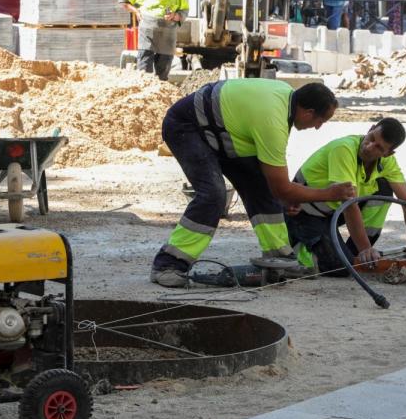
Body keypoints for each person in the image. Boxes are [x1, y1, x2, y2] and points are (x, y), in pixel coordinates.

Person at [150, 79, 356, 288]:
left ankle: (280, 258)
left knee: (262, 189)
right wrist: (330, 193)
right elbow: (282, 188)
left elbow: (277, 187)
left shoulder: (285, 99)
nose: (319, 127)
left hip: (223, 132)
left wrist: (285, 196)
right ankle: (168, 265)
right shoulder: (272, 121)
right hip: (188, 127)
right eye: (322, 120)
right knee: (213, 196)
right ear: (308, 112)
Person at [286, 118, 406, 277]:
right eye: (372, 138)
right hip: (303, 213)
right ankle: (296, 244)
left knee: (384, 188)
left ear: (388, 153)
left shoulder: (387, 162)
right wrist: (366, 248)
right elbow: (348, 204)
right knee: (339, 267)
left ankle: (354, 250)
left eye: (379, 147)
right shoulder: (344, 149)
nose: (369, 147)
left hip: (332, 212)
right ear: (371, 128)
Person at [118, 0, 189, 81]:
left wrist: (175, 16)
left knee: (163, 71)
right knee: (144, 70)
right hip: (148, 34)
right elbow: (123, 1)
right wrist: (136, 11)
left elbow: (184, 11)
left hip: (167, 36)